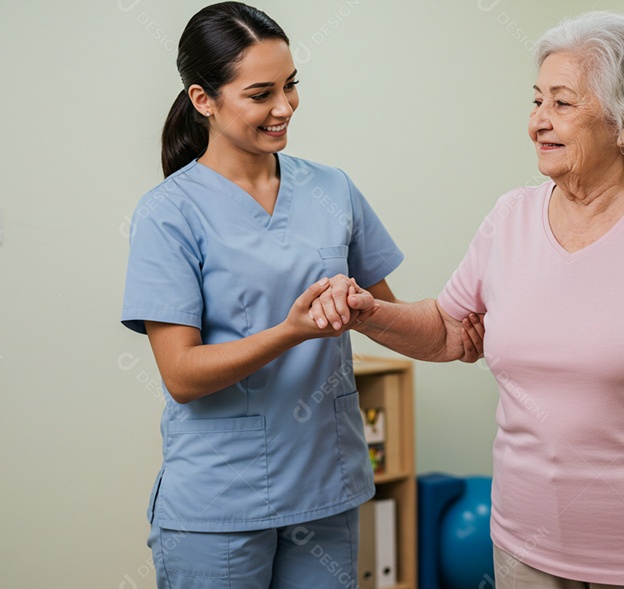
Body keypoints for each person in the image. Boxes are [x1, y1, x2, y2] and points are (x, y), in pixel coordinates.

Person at [314, 10, 624, 589]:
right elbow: (447, 329)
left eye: (562, 103)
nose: (537, 121)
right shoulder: (510, 216)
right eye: (536, 100)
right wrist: (369, 314)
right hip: (524, 548)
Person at [120, 3, 481, 587]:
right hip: (220, 501)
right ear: (203, 99)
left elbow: (390, 319)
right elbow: (181, 374)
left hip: (325, 488)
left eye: (290, 85)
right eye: (260, 94)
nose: (284, 107)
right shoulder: (168, 213)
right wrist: (291, 331)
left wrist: (443, 326)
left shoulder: (331, 189)